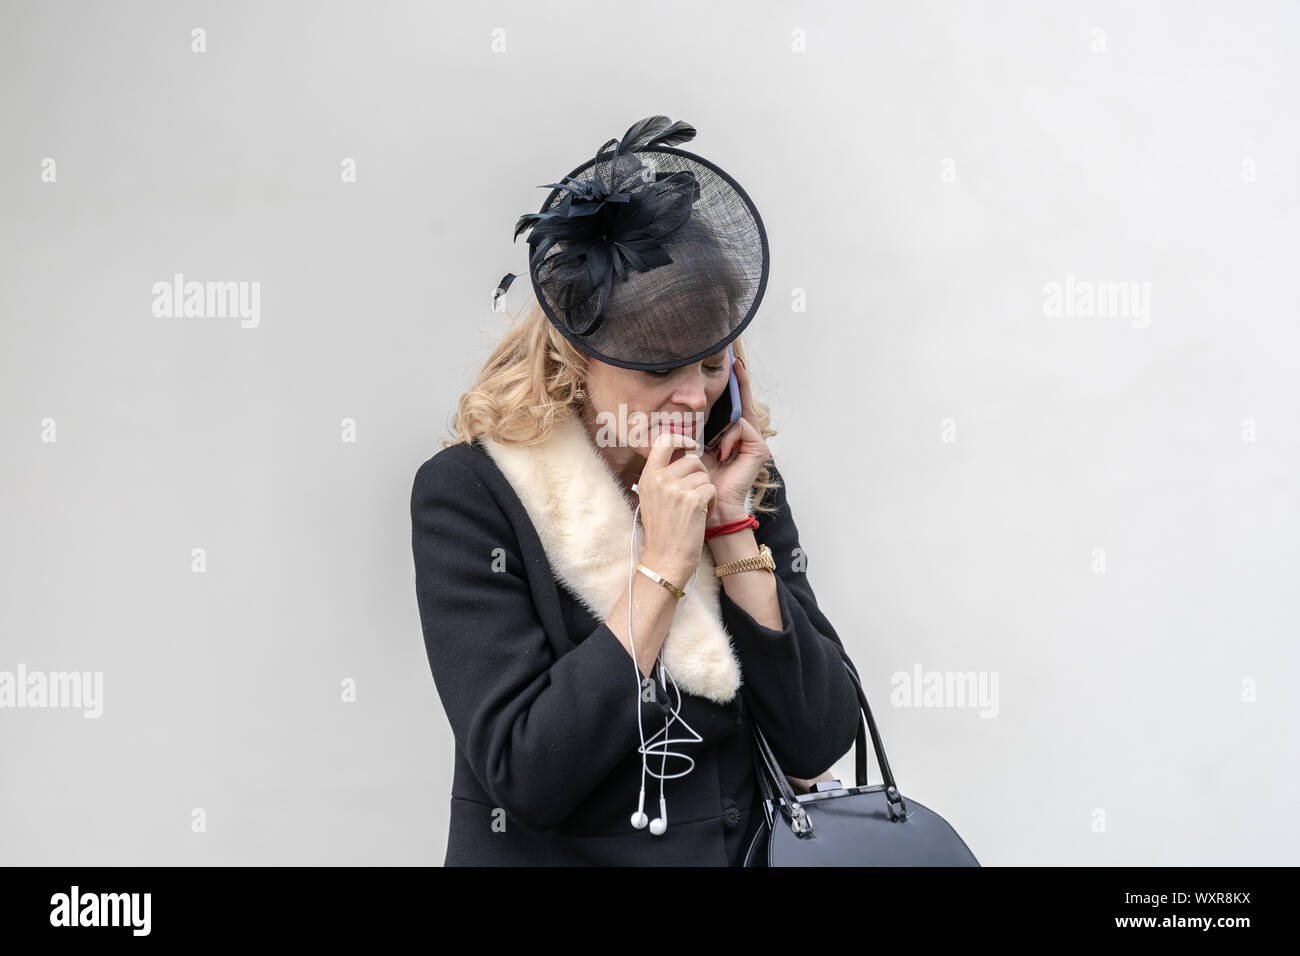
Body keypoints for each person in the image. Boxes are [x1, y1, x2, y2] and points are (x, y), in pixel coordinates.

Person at [410, 116, 861, 866]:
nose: (693, 397)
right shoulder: (471, 494)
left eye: (713, 364)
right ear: (577, 359)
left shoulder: (739, 481)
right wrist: (661, 565)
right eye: (659, 371)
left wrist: (728, 529)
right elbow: (529, 772)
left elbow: (818, 739)